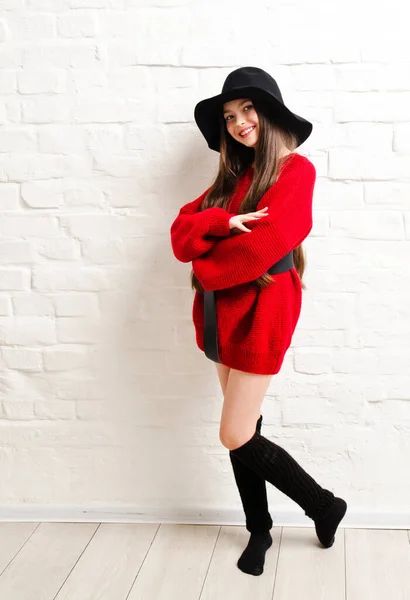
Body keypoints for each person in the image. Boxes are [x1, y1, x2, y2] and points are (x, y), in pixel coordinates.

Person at [170, 67, 347, 577]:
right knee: (245, 430)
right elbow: (181, 235)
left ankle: (323, 504)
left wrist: (206, 265)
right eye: (229, 116)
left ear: (270, 112)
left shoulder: (297, 171)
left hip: (264, 311)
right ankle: (259, 529)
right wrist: (220, 222)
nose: (239, 122)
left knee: (233, 432)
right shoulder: (232, 178)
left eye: (248, 109)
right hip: (220, 314)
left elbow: (261, 248)